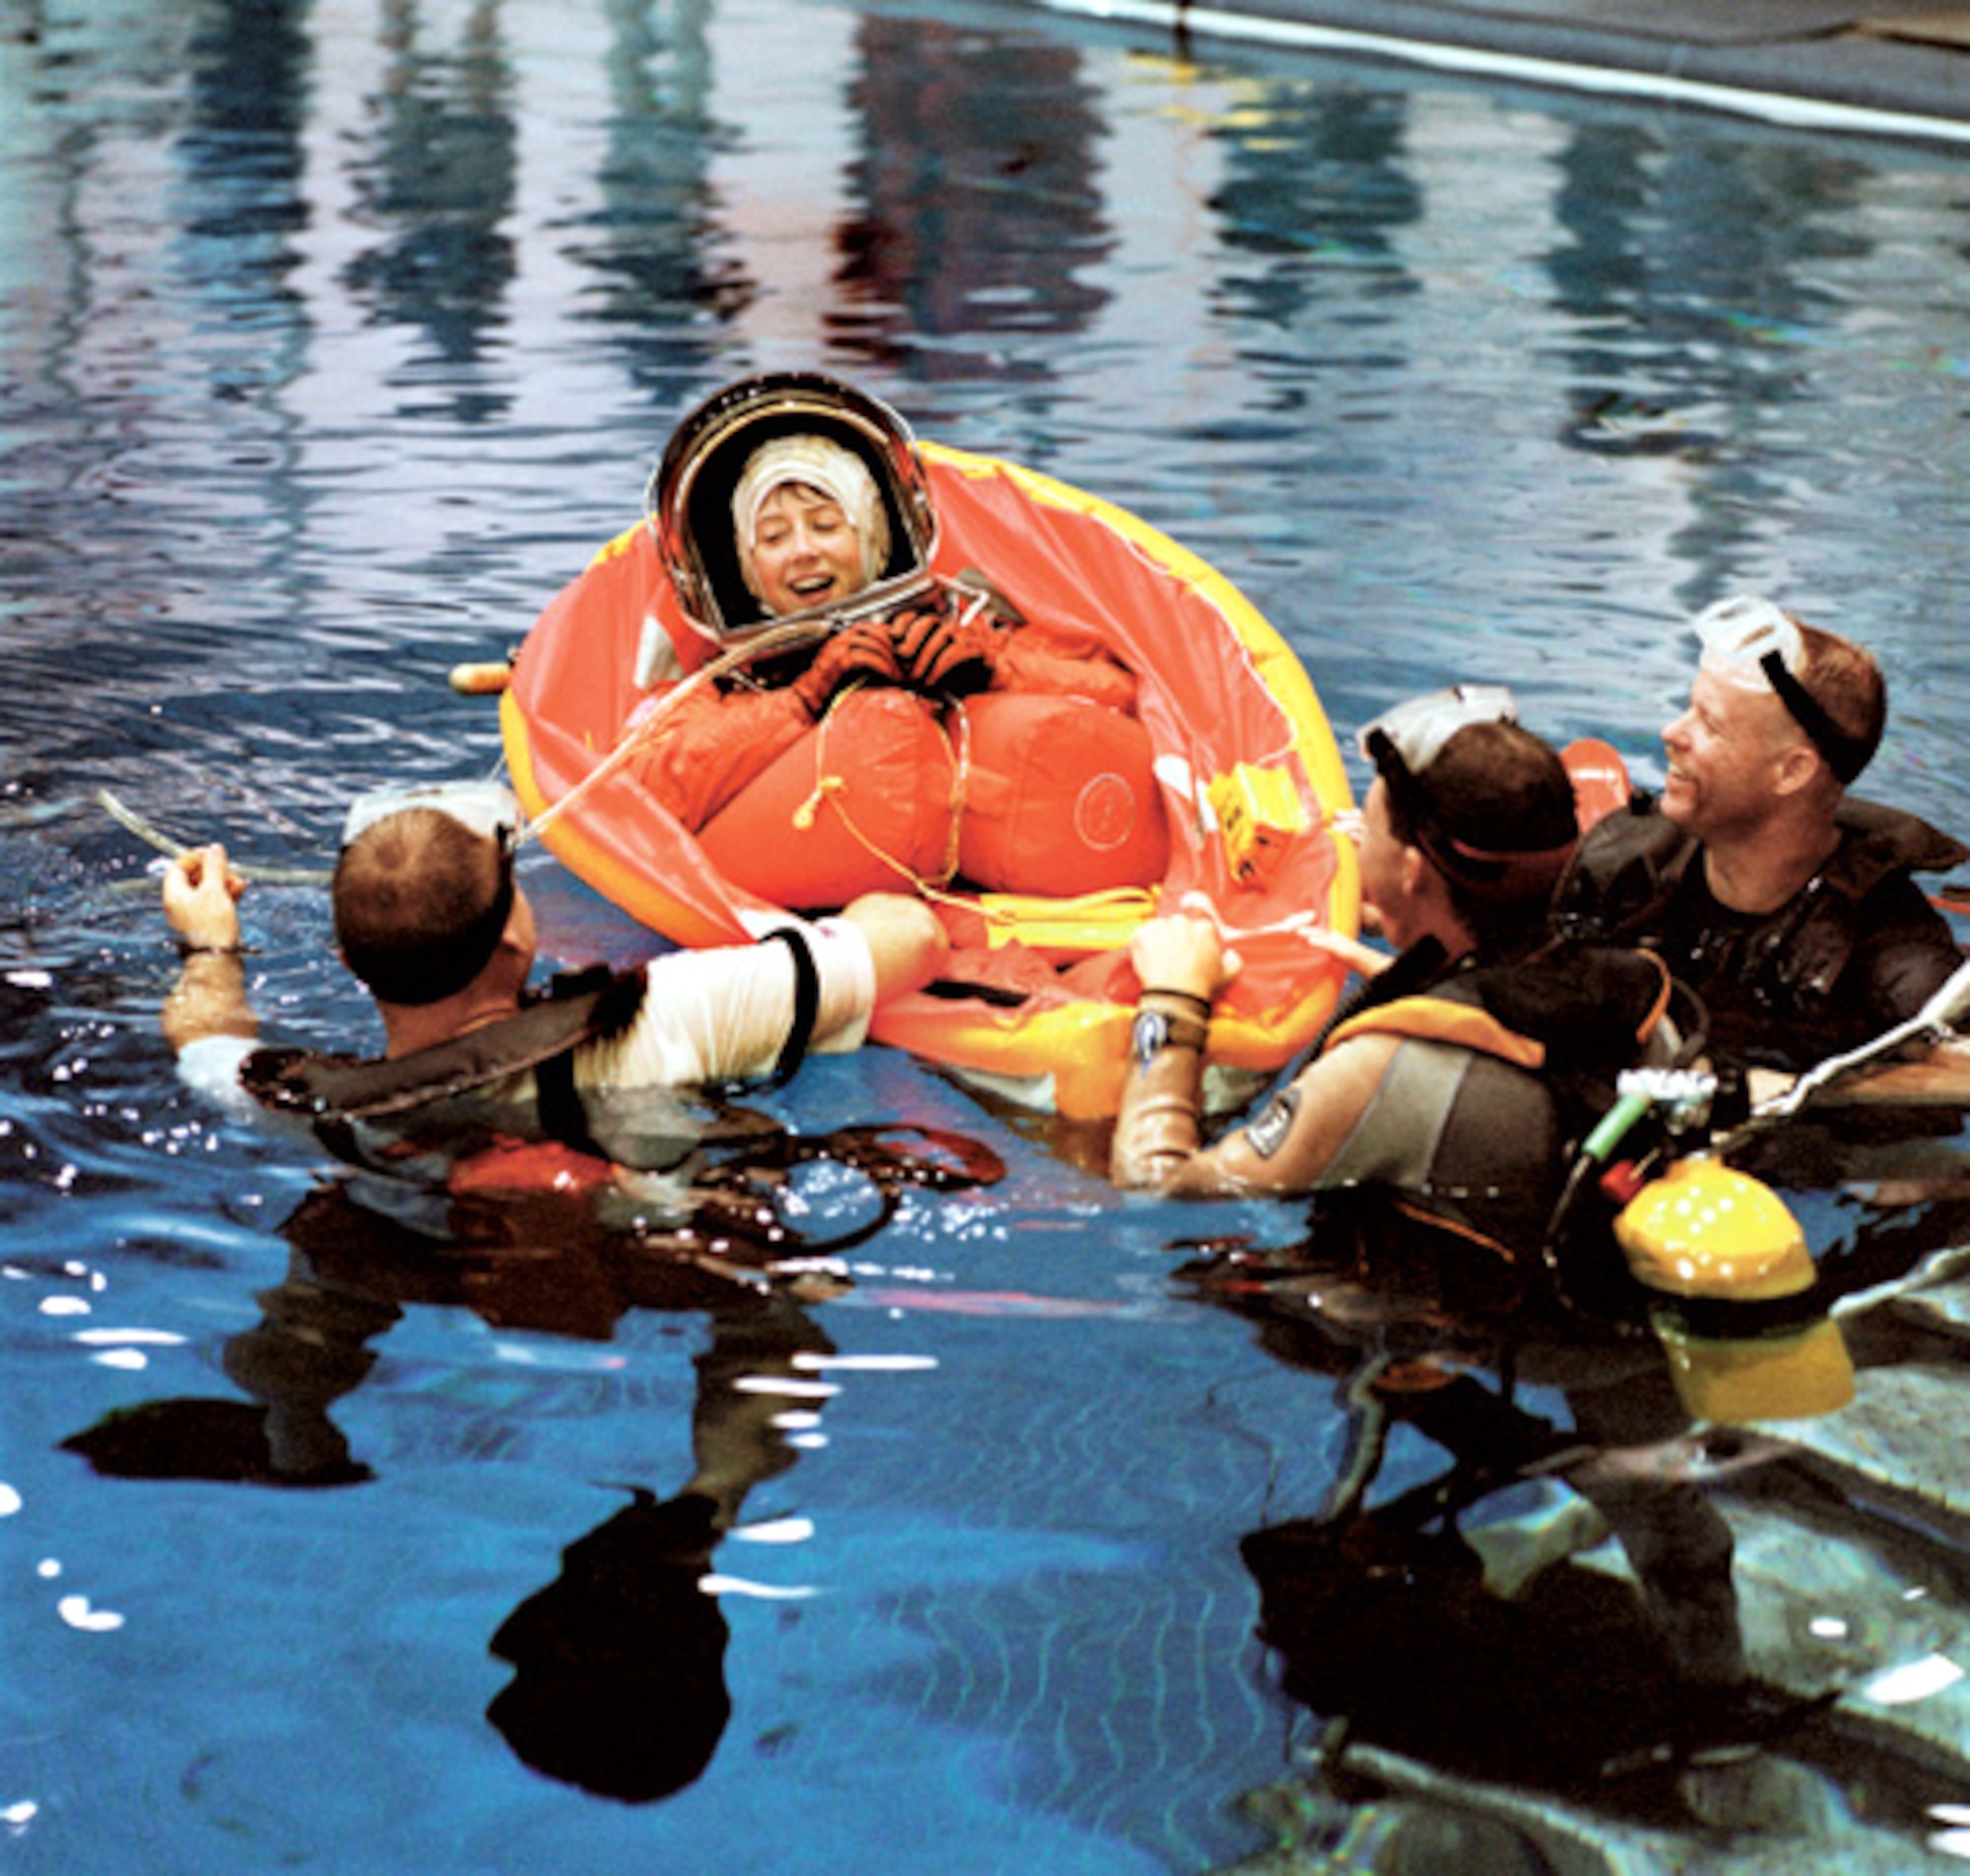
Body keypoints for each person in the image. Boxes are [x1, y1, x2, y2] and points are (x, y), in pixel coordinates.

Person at [1109, 687, 1674, 1258]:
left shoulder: (1387, 1070)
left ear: (1410, 871)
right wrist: (1416, 975)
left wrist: (1172, 999)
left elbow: (1154, 1188)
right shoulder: (1639, 996)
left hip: (1418, 1331)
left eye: (1367, 828)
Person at [160, 777, 947, 1174]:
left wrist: (209, 947)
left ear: (349, 965)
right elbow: (914, 936)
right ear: (516, 937)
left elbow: (202, 1041)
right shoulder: (668, 1011)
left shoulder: (314, 1102)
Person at [626, 425, 1138, 833]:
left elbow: (1126, 698)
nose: (804, 551)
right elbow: (639, 794)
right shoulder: (731, 681)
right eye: (775, 537)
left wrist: (999, 671)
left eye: (826, 525)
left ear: (870, 536)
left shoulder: (966, 626)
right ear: (748, 566)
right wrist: (802, 699)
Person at [1555, 595, 1967, 1073]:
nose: (1671, 733)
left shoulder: (1895, 966)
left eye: (1709, 724)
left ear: (1791, 772)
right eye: (1688, 708)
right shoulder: (1623, 870)